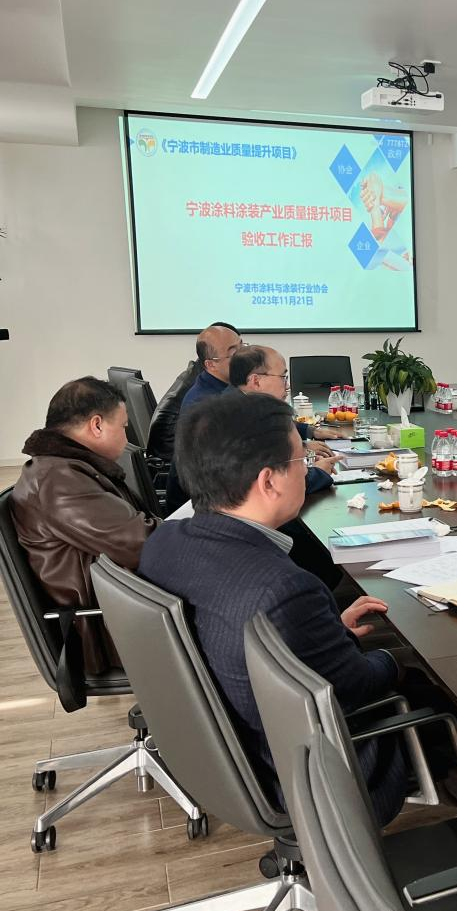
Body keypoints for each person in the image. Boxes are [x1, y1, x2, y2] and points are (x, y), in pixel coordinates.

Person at [138, 391, 408, 825]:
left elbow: (240, 630)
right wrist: (397, 659)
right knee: (439, 679)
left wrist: (323, 632)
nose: (308, 469)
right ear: (268, 481)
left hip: (226, 752)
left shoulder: (166, 541)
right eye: (302, 460)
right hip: (302, 771)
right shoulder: (283, 589)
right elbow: (353, 686)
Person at [11, 377, 160, 676]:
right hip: (107, 627)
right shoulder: (58, 481)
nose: (127, 436)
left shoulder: (63, 468)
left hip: (121, 603)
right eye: (124, 426)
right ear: (97, 425)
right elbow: (142, 545)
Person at [229, 346, 338, 494]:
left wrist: (306, 437)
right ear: (256, 381)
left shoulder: (240, 405)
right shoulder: (243, 422)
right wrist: (319, 472)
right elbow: (277, 485)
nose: (287, 386)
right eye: (283, 377)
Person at [149, 321, 240, 462]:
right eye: (234, 353)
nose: (245, 356)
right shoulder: (206, 403)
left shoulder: (216, 384)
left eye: (243, 346)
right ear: (211, 364)